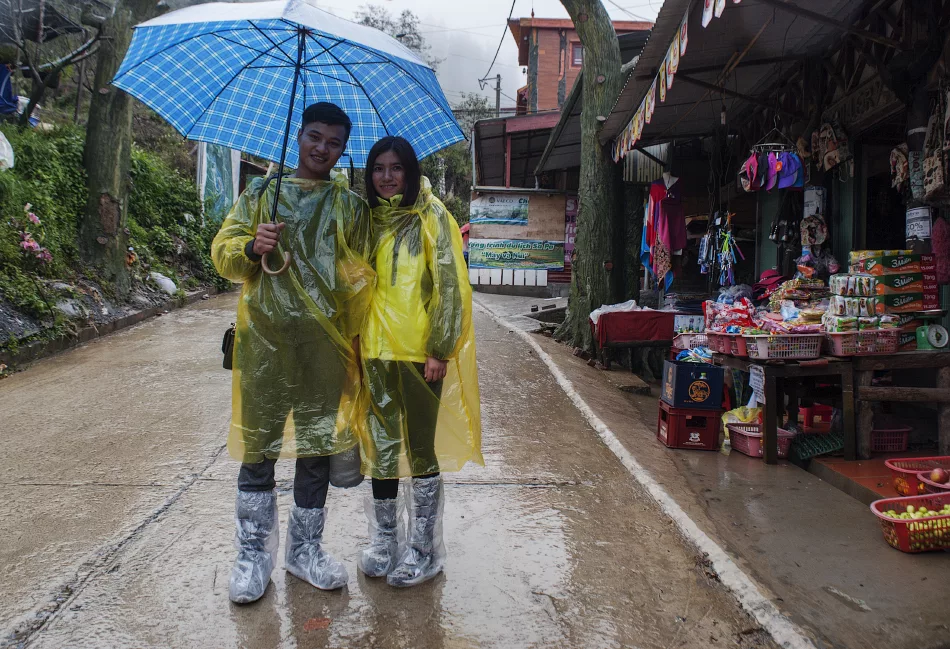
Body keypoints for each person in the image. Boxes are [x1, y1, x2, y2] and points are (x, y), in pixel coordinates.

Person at [212, 102, 374, 604]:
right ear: (298, 136)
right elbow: (222, 253)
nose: (322, 149)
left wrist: (354, 343)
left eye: (334, 143)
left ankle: (305, 551)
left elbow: (365, 277)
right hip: (264, 344)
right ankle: (254, 555)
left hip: (324, 348)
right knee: (257, 447)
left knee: (316, 449)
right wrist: (252, 247)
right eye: (315, 137)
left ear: (344, 151)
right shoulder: (261, 193)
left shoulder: (350, 207)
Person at [357, 136, 482, 587]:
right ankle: (385, 539)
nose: (387, 176)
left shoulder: (432, 217)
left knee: (420, 448)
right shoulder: (366, 220)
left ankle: (424, 547)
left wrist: (439, 347)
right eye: (378, 169)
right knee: (382, 449)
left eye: (395, 168)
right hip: (374, 352)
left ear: (409, 171)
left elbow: (450, 284)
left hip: (418, 353)